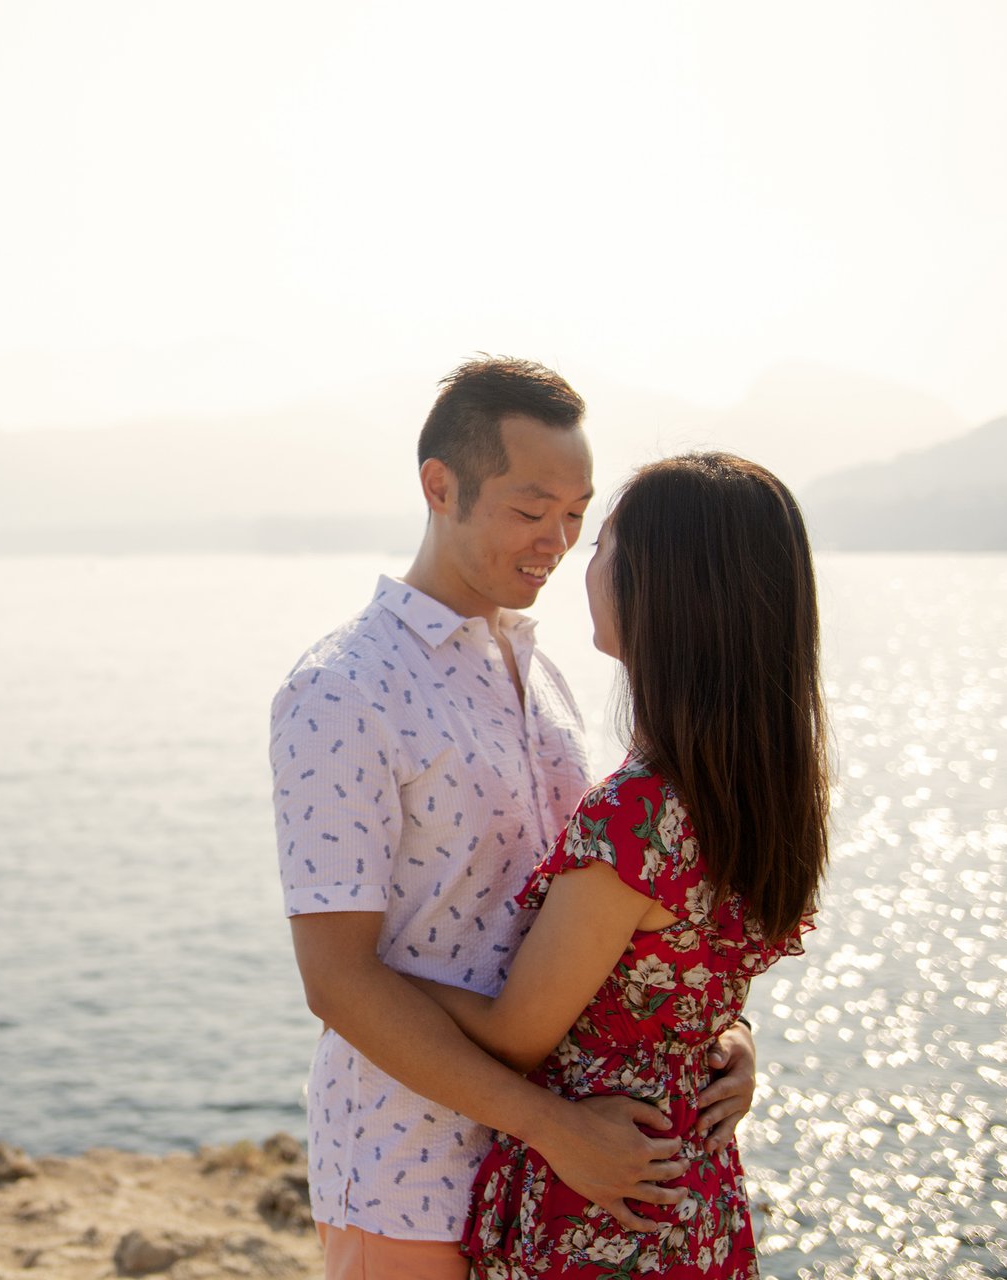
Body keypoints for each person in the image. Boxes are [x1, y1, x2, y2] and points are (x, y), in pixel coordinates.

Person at [270, 359, 760, 1280]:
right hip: (410, 1171)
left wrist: (720, 1033)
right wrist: (553, 1125)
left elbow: (611, 923)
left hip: (553, 1185)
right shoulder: (342, 690)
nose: (558, 542)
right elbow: (336, 981)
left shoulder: (546, 680)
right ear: (439, 486)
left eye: (576, 516)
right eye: (531, 511)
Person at [405, 452, 829, 1277]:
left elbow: (514, 1036)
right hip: (694, 1189)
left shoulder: (638, 817)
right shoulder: (760, 789)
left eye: (602, 542)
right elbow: (689, 976)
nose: (579, 561)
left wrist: (369, 980)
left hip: (607, 1199)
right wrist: (732, 1034)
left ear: (662, 588)